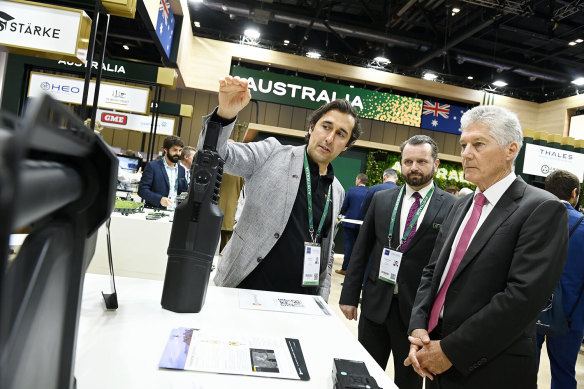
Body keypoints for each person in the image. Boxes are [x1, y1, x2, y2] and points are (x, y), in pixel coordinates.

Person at [404, 105, 569, 389]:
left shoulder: (542, 208)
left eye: (478, 144)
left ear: (511, 149)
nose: (466, 153)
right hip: (434, 352)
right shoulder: (462, 205)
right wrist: (419, 327)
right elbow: (433, 271)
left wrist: (451, 350)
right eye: (464, 144)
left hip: (490, 366)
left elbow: (522, 298)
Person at [198, 76, 362, 301]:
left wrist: (321, 299)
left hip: (300, 301)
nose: (330, 138)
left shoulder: (337, 189)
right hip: (244, 288)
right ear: (312, 127)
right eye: (326, 127)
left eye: (341, 134)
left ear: (346, 145)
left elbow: (328, 249)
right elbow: (215, 157)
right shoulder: (271, 154)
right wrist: (225, 114)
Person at [339, 135, 456, 389]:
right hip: (375, 304)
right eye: (408, 161)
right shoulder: (382, 199)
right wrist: (349, 294)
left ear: (435, 164)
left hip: (417, 314)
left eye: (422, 161)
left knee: (409, 381)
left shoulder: (451, 206)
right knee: (364, 374)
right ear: (401, 163)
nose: (414, 167)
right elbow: (362, 248)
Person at [538, 169, 584, 389]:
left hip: (528, 309)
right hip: (571, 315)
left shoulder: (530, 218)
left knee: (522, 369)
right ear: (574, 193)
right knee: (564, 374)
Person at [138, 135, 188, 209]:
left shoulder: (181, 170)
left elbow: (183, 191)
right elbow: (142, 190)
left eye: (180, 150)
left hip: (175, 213)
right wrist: (159, 199)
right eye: (175, 150)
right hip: (156, 212)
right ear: (166, 150)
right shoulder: (153, 166)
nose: (178, 153)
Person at [335, 173, 369, 275]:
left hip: (349, 224)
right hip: (362, 225)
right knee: (358, 248)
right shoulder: (369, 192)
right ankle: (355, 271)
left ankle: (345, 269)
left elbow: (344, 206)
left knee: (349, 246)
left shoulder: (351, 190)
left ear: (358, 180)